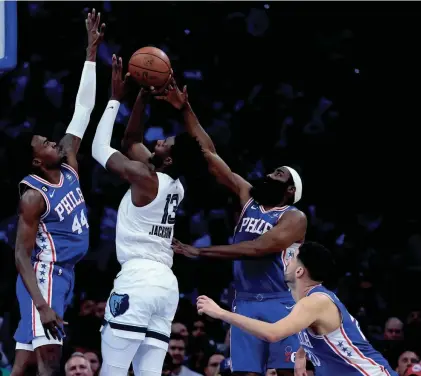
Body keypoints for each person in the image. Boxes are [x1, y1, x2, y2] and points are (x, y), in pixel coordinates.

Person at [160, 81, 307, 375]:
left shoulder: (294, 216)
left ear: (290, 190)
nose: (269, 173)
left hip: (283, 302)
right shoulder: (247, 196)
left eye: (278, 174)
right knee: (244, 373)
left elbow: (258, 249)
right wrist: (185, 108)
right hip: (245, 301)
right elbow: (209, 153)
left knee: (287, 373)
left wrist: (200, 252)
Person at [91, 57, 209, 376]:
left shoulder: (146, 178)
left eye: (164, 144)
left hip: (139, 280)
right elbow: (132, 142)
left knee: (113, 371)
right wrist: (142, 95)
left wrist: (116, 98)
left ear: (167, 160)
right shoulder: (174, 184)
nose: (158, 141)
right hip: (165, 286)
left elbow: (100, 148)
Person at [11, 9, 104, 376]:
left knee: (22, 367)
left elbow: (83, 109)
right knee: (51, 362)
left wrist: (91, 55)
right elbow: (20, 252)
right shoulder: (33, 195)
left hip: (64, 274)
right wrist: (41, 303)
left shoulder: (67, 163)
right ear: (36, 161)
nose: (53, 141)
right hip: (44, 276)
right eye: (44, 143)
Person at [196, 242, 398, 376]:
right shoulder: (311, 302)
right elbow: (320, 333)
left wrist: (221, 313)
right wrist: (301, 355)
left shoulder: (315, 302)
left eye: (292, 258)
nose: (286, 261)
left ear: (300, 271)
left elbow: (273, 333)